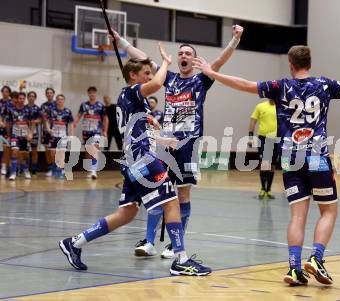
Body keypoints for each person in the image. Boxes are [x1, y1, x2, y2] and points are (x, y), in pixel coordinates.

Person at [192, 45, 340, 286]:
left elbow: (244, 84)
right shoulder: (325, 85)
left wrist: (212, 73)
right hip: (316, 156)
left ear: (290, 64)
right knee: (328, 210)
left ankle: (295, 268)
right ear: (310, 62)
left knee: (297, 216)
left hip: (290, 158)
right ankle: (317, 259)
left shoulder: (280, 86)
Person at [59, 43, 211, 276]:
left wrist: (162, 140)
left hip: (133, 160)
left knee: (127, 213)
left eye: (151, 73)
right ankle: (181, 259)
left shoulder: (132, 100)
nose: (150, 76)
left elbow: (137, 133)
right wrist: (167, 64)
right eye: (146, 73)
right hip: (142, 160)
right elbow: (159, 83)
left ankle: (75, 242)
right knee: (171, 202)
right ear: (133, 75)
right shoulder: (131, 92)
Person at [110, 25, 244, 258]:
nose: (183, 56)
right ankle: (149, 242)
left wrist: (235, 39)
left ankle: (175, 244)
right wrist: (120, 40)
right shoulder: (169, 79)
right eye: (180, 53)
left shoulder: (202, 80)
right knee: (156, 191)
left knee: (182, 196)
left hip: (188, 144)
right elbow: (141, 58)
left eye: (187, 54)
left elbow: (221, 60)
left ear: (194, 60)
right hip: (165, 143)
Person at [73, 86, 108, 179]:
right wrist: (74, 123)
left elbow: (105, 118)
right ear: (88, 94)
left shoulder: (100, 105)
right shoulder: (84, 105)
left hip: (96, 131)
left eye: (93, 92)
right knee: (87, 151)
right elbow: (79, 115)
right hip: (86, 131)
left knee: (94, 149)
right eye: (90, 93)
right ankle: (89, 170)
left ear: (95, 94)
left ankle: (94, 170)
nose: (92, 94)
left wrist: (105, 131)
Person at [248, 99, 278, 200]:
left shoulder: (281, 107)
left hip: (276, 139)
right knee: (264, 163)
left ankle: (268, 190)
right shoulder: (260, 106)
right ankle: (262, 189)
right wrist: (250, 137)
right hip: (263, 138)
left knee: (272, 165)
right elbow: (253, 121)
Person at [2, 92, 35, 180]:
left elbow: (32, 123)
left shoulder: (29, 110)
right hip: (15, 135)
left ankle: (26, 170)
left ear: (25, 99)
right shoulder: (11, 110)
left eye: (23, 98)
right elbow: (8, 124)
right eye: (19, 98)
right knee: (14, 151)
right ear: (17, 99)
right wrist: (9, 136)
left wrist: (31, 134)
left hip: (25, 136)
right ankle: (13, 173)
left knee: (24, 155)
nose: (21, 100)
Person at [46, 94, 74, 179]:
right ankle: (54, 168)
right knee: (53, 153)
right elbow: (46, 121)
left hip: (63, 136)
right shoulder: (51, 110)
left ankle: (61, 170)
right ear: (56, 101)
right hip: (53, 135)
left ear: (64, 101)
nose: (60, 101)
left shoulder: (68, 111)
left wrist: (71, 135)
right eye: (58, 99)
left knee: (61, 154)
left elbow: (71, 124)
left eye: (61, 99)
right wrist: (48, 129)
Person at [40, 88, 56, 177]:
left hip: (56, 131)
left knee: (55, 151)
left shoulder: (57, 104)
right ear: (46, 95)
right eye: (48, 93)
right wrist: (47, 128)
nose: (49, 94)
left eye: (51, 93)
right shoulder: (43, 105)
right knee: (47, 150)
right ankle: (50, 168)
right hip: (46, 131)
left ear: (53, 94)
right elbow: (43, 118)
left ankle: (56, 168)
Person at [26, 91, 41, 175]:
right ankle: (25, 167)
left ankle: (34, 168)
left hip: (34, 132)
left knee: (34, 150)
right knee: (25, 151)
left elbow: (40, 119)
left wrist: (34, 121)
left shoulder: (38, 108)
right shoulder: (24, 108)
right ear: (27, 97)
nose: (31, 97)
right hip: (24, 132)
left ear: (35, 98)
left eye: (33, 96)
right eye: (30, 96)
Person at [0, 86, 12, 176]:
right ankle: (3, 166)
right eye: (3, 91)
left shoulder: (12, 102)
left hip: (11, 129)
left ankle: (6, 166)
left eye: (7, 91)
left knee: (8, 149)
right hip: (1, 128)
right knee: (1, 148)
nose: (5, 93)